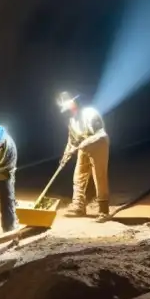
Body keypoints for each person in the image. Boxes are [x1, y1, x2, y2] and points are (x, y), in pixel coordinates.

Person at [57, 91, 112, 221]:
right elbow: (72, 141)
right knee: (78, 176)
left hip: (99, 143)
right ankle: (78, 206)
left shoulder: (90, 113)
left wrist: (82, 145)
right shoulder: (71, 120)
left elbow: (100, 134)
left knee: (99, 176)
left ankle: (104, 211)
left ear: (74, 103)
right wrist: (65, 156)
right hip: (83, 145)